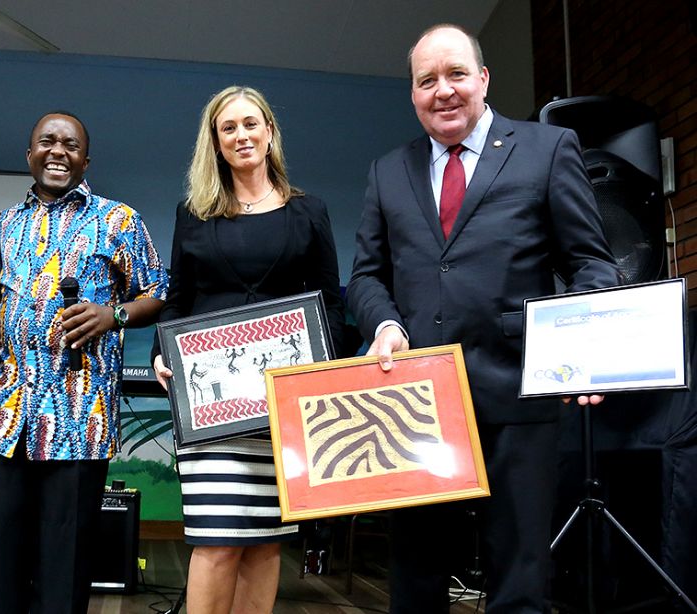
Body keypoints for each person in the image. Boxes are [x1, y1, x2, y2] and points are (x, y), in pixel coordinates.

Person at [345, 24, 622, 613]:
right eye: (427, 81)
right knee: (415, 581)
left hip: (519, 395)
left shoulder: (548, 148)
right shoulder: (387, 171)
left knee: (519, 582)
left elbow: (590, 262)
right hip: (416, 405)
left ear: (483, 79)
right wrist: (385, 325)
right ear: (413, 93)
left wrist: (586, 354)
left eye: (456, 75)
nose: (443, 91)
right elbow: (367, 275)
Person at [152, 85, 345, 614]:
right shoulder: (194, 213)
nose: (241, 135)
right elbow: (177, 299)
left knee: (265, 542)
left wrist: (322, 384)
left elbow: (330, 306)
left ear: (270, 132)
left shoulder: (310, 212)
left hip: (284, 408)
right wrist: (160, 351)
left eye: (250, 123)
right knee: (215, 542)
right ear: (214, 142)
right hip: (211, 403)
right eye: (228, 127)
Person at [0, 111, 168, 614]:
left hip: (79, 420)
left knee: (66, 563)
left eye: (71, 145)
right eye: (47, 142)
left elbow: (160, 293)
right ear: (30, 154)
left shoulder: (118, 220)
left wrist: (114, 314)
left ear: (86, 159)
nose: (58, 151)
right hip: (2, 419)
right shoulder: (3, 225)